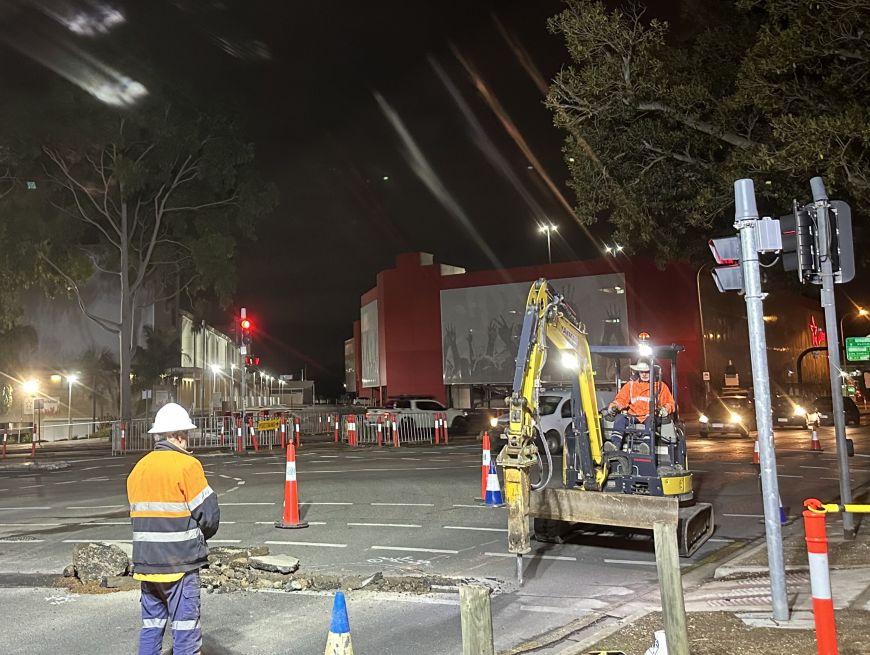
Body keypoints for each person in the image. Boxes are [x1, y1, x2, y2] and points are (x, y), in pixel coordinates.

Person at [127, 403, 220, 655]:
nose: (187, 441)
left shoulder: (138, 469)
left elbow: (138, 518)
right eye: (186, 435)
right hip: (180, 565)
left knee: (151, 627)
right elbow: (209, 516)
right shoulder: (187, 465)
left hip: (146, 566)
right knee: (185, 630)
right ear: (179, 435)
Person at [605, 361, 675, 452]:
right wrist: (615, 406)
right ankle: (615, 445)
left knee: (651, 420)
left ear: (652, 371)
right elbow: (621, 399)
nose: (644, 374)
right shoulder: (631, 385)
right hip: (634, 415)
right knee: (620, 418)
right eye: (642, 372)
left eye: (647, 372)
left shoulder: (660, 386)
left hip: (650, 416)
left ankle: (646, 446)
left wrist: (665, 409)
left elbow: (670, 403)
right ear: (638, 372)